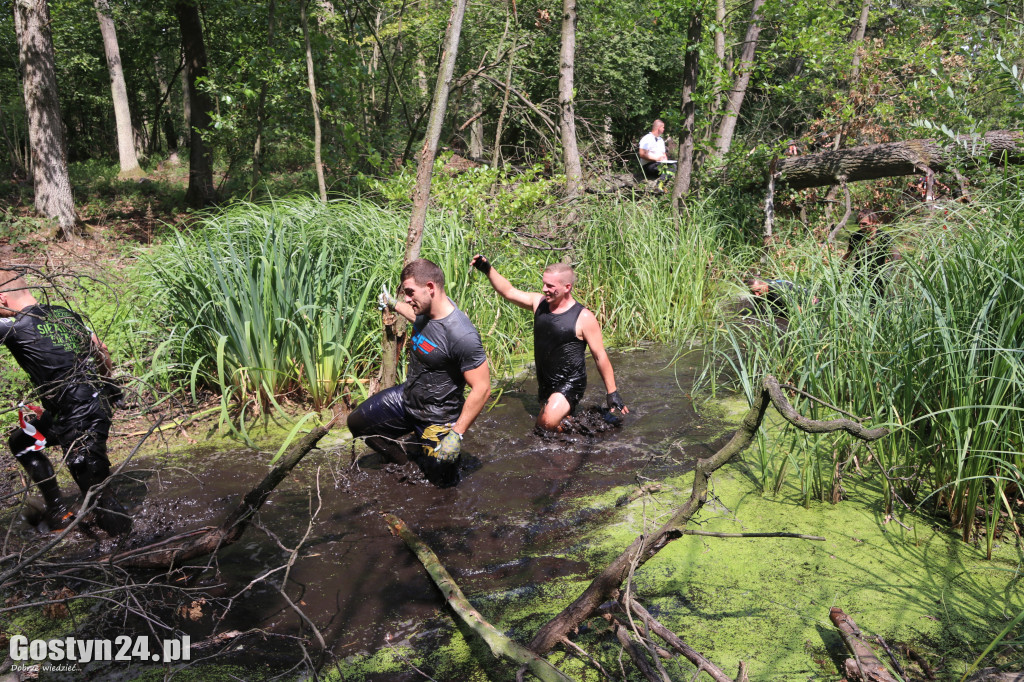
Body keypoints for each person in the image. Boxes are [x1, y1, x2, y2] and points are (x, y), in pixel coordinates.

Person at [0, 269, 129, 534]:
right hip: (77, 408)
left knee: (97, 493)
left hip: (81, 416)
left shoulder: (14, 327)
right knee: (23, 441)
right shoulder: (64, 313)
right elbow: (101, 348)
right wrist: (108, 384)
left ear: (2, 300)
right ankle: (59, 512)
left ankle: (132, 550)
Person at [347, 259, 490, 483]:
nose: (407, 298)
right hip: (407, 399)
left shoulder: (462, 335)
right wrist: (392, 303)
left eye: (410, 292)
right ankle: (403, 464)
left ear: (430, 288)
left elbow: (482, 388)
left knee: (441, 482)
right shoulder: (425, 310)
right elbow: (416, 317)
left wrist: (457, 434)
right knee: (358, 422)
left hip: (438, 416)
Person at [470, 256, 628, 431]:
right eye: (544, 284)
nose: (544, 289)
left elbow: (599, 356)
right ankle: (585, 423)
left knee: (545, 423)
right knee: (551, 424)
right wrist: (487, 269)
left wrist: (612, 392)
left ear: (567, 287)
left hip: (571, 382)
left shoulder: (583, 317)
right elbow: (508, 291)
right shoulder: (539, 304)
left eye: (550, 286)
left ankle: (585, 426)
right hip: (546, 382)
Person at [844, 211, 900, 297]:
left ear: (875, 223)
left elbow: (896, 255)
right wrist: (839, 272)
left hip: (877, 278)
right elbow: (847, 257)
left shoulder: (884, 237)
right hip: (859, 276)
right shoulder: (856, 237)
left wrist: (888, 272)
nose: (861, 226)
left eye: (864, 224)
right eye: (859, 224)